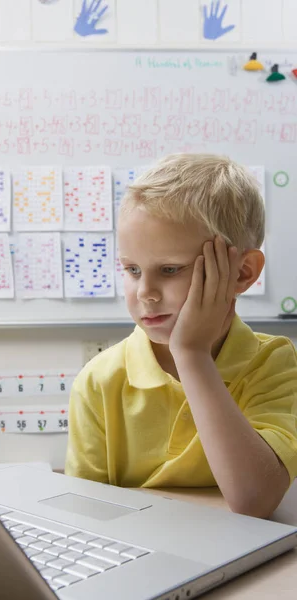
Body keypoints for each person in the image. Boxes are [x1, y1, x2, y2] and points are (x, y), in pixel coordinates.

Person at [65, 154, 297, 518]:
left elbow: (254, 500)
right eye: (132, 269)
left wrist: (192, 355)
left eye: (169, 269)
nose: (145, 292)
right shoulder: (99, 381)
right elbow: (87, 517)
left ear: (242, 273)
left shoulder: (273, 363)